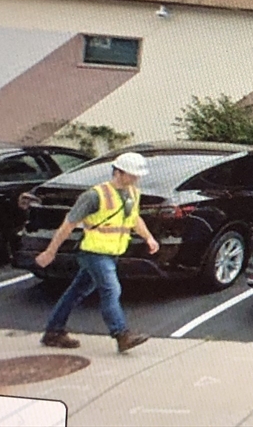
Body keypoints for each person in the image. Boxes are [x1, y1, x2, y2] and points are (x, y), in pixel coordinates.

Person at [35, 151, 159, 353]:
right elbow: (68, 224)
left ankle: (53, 332)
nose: (136, 179)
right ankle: (121, 334)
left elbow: (134, 218)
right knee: (111, 289)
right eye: (132, 175)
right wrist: (51, 252)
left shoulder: (132, 193)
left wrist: (148, 237)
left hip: (112, 252)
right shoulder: (94, 196)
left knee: (76, 291)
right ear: (118, 172)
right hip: (93, 253)